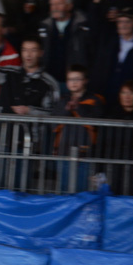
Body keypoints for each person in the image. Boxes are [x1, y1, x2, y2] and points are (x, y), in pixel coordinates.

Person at [51, 64, 105, 192]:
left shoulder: (95, 100)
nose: (73, 82)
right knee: (64, 190)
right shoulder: (62, 101)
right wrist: (66, 110)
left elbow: (95, 123)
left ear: (85, 80)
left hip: (86, 154)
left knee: (83, 191)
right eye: (70, 79)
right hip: (64, 152)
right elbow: (53, 125)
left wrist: (78, 108)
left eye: (77, 79)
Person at [37, 0, 91, 87]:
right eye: (52, 5)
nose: (55, 8)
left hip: (74, 83)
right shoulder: (44, 26)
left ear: (69, 6)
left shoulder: (83, 26)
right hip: (49, 81)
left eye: (59, 4)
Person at [90, 10, 133, 111]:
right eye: (120, 22)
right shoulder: (109, 43)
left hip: (131, 96)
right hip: (107, 93)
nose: (123, 25)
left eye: (127, 22)